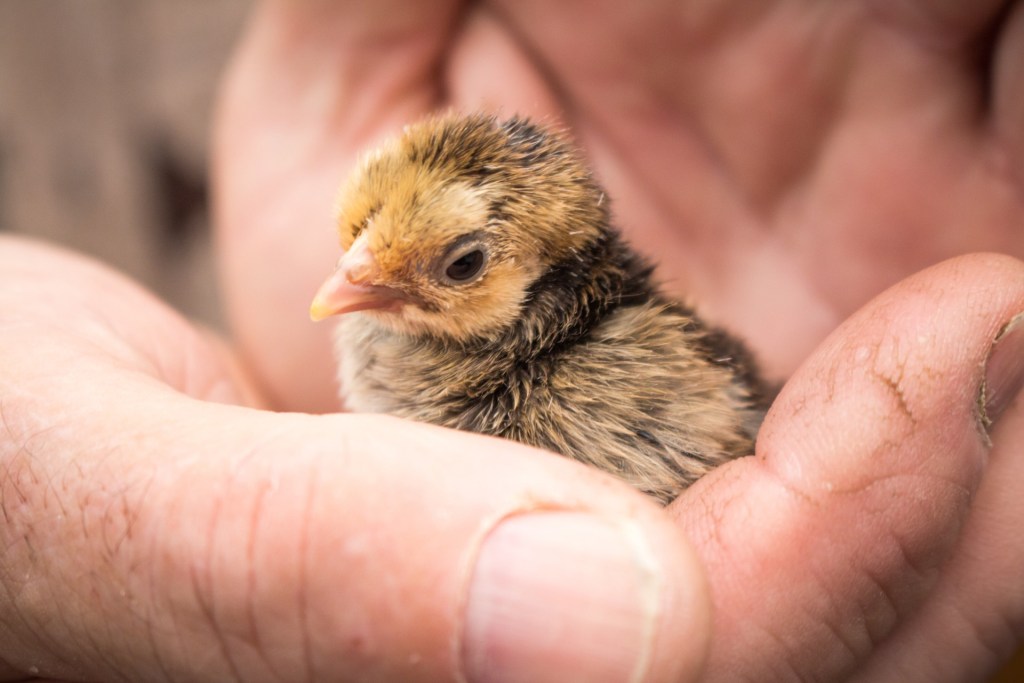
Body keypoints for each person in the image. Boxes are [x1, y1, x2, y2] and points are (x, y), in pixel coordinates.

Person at [2, 2, 1023, 681]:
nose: (352, 277)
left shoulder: (619, 376)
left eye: (453, 264)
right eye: (356, 241)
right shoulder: (392, 308)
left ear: (551, 278)